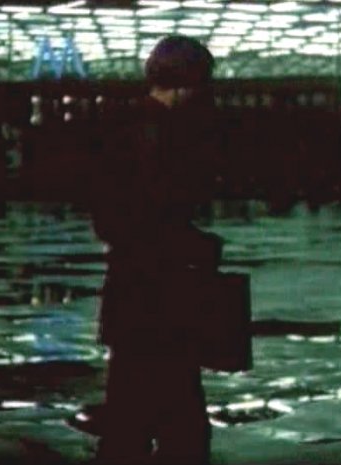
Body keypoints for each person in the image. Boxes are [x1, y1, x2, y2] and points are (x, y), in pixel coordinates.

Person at [90, 36, 219, 465]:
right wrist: (193, 243)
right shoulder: (164, 132)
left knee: (129, 400)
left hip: (131, 283)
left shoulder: (120, 126)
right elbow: (158, 210)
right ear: (187, 83)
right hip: (161, 285)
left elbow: (110, 214)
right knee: (178, 408)